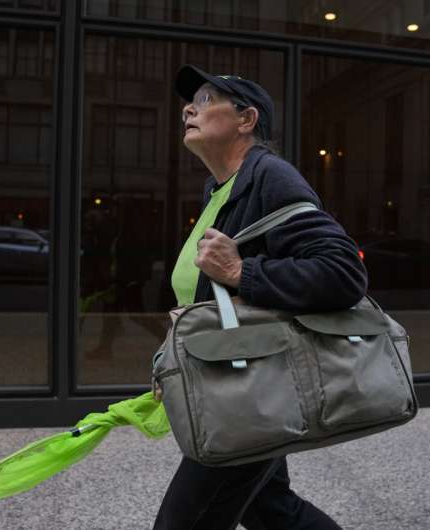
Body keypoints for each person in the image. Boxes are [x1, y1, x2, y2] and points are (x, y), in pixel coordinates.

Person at [152, 64, 368, 530]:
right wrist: (174, 361)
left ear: (246, 120)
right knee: (271, 509)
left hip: (252, 394)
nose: (190, 108)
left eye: (209, 100)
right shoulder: (219, 189)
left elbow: (343, 272)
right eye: (192, 102)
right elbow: (206, 298)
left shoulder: (270, 175)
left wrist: (240, 269)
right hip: (237, 385)